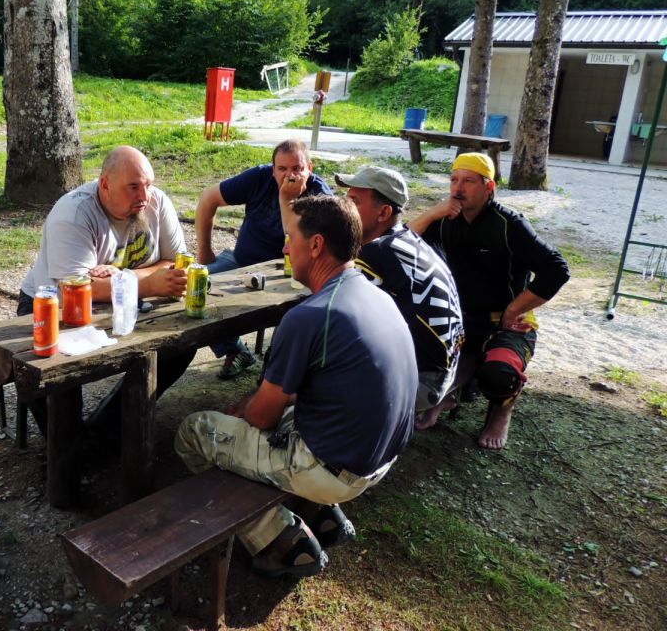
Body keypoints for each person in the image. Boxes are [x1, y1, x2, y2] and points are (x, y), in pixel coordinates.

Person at [176, 195, 417, 578]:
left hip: (333, 472)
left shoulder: (308, 316)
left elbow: (262, 417)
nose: (285, 247)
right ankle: (321, 513)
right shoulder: (377, 295)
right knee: (282, 409)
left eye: (290, 238)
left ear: (317, 245)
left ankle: (279, 537)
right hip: (380, 460)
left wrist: (246, 410)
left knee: (194, 431)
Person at [18, 145, 194, 435]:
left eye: (148, 185)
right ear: (105, 184)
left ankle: (107, 432)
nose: (144, 197)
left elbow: (175, 263)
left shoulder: (156, 203)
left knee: (180, 346)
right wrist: (145, 284)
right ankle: (68, 451)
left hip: (129, 304)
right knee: (51, 374)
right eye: (134, 187)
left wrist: (126, 278)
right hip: (53, 307)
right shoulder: (73, 214)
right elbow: (73, 289)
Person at [408, 152, 570, 450]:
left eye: (469, 181)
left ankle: (501, 411)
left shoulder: (508, 224)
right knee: (416, 361)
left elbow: (557, 268)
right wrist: (432, 213)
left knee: (499, 375)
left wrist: (515, 308)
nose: (458, 188)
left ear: (489, 187)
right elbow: (401, 242)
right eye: (454, 180)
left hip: (505, 325)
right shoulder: (445, 221)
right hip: (460, 323)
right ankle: (447, 396)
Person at [331, 166, 464, 420]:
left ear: (384, 212)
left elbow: (341, 320)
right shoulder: (408, 239)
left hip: (422, 381)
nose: (343, 208)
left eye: (354, 201)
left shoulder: (374, 254)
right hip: (445, 371)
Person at [194, 139, 332, 379]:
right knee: (195, 288)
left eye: (297, 168)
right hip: (241, 262)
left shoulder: (319, 195)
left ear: (309, 167)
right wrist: (205, 251)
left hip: (290, 274)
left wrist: (287, 199)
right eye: (282, 169)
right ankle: (234, 349)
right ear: (273, 170)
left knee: (298, 312)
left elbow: (296, 238)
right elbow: (208, 199)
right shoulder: (259, 178)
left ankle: (276, 371)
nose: (290, 175)